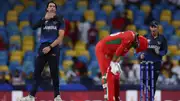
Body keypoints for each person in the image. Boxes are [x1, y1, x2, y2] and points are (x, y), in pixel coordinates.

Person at [20, 1, 65, 101]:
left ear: (56, 9)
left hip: (53, 46)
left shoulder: (60, 20)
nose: (52, 8)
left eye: (54, 6)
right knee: (37, 72)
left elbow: (60, 37)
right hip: (42, 47)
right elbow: (33, 27)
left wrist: (50, 47)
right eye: (50, 6)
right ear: (47, 9)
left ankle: (57, 96)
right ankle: (31, 96)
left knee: (54, 72)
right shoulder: (43, 20)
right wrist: (44, 19)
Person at [95, 30, 148, 101]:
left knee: (116, 75)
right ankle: (109, 99)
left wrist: (116, 63)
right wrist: (113, 62)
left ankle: (116, 98)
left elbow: (119, 54)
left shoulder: (130, 44)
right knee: (108, 75)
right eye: (137, 47)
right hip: (102, 49)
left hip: (110, 52)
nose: (135, 49)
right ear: (138, 42)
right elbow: (120, 49)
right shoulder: (130, 36)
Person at [140, 20, 167, 99]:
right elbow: (140, 47)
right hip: (146, 62)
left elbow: (165, 50)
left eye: (155, 27)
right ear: (150, 28)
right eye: (152, 27)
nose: (153, 28)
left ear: (157, 28)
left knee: (153, 82)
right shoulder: (146, 37)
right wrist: (141, 54)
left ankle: (152, 97)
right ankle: (147, 89)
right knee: (144, 79)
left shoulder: (162, 38)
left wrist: (159, 52)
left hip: (156, 62)